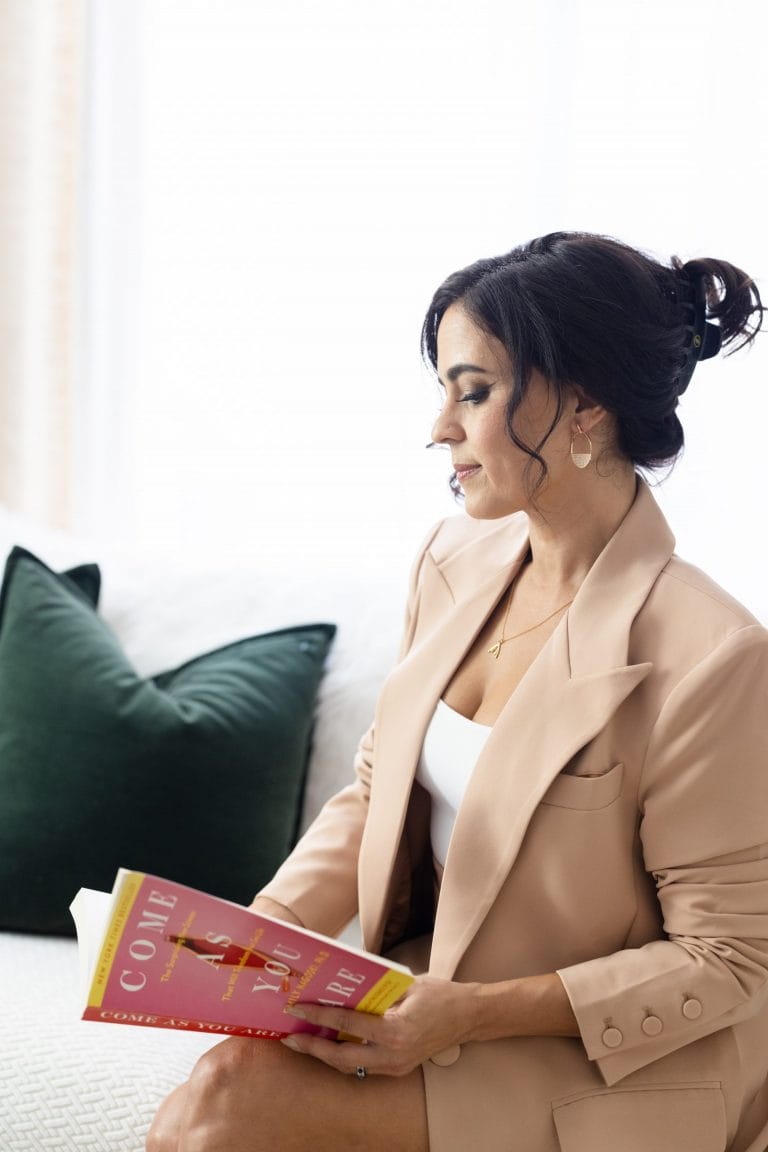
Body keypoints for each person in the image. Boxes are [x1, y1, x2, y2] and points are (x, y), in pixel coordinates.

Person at [147, 231, 768, 1152]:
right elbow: (376, 790)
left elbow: (729, 962)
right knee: (225, 1083)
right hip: (433, 1000)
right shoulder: (450, 560)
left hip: (598, 1058)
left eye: (471, 392)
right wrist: (254, 939)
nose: (440, 426)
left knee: (229, 1114)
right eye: (444, 390)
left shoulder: (716, 654)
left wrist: (463, 1015)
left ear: (584, 408)